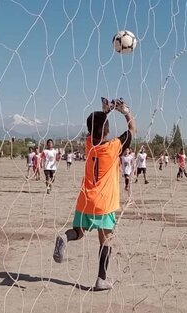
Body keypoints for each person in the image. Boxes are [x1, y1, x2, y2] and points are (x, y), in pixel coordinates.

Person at [53, 97, 136, 290]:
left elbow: (95, 128)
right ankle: (101, 279)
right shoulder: (113, 146)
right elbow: (133, 130)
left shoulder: (89, 144)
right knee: (106, 238)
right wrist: (124, 111)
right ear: (107, 130)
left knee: (78, 233)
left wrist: (105, 112)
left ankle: (65, 237)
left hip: (85, 199)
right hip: (104, 202)